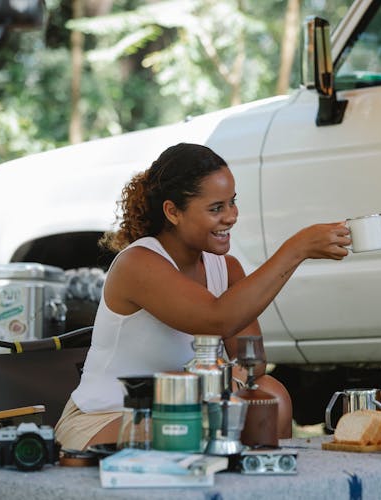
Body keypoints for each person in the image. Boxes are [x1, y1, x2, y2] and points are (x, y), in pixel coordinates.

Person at [55, 143, 350, 451]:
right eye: (216, 208)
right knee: (187, 426)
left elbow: (253, 362)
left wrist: (219, 386)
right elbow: (215, 318)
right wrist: (296, 249)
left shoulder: (227, 269)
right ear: (173, 212)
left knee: (269, 394)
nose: (231, 217)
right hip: (109, 417)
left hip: (187, 414)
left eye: (232, 203)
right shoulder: (138, 264)